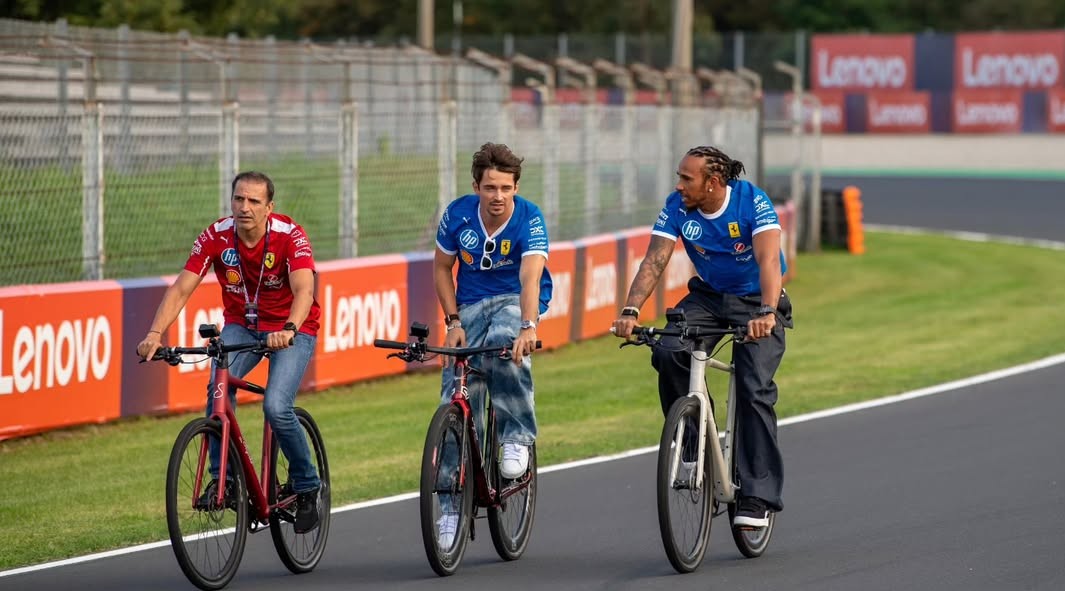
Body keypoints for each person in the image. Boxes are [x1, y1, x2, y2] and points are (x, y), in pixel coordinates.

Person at [612, 145, 793, 529]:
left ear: (712, 182)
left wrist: (767, 312)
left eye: (686, 178)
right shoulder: (677, 206)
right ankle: (695, 441)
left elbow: (768, 261)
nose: (678, 185)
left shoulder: (751, 202)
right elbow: (655, 259)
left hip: (758, 300)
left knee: (753, 388)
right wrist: (630, 310)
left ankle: (757, 496)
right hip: (709, 298)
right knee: (668, 349)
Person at [136, 171, 323, 533]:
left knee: (276, 406)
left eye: (254, 201)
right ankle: (224, 479)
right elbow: (181, 289)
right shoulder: (216, 235)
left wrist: (289, 329)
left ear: (269, 207)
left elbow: (304, 290)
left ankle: (306, 484)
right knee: (218, 389)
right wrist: (155, 333)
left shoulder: (290, 236)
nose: (244, 207)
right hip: (242, 324)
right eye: (239, 199)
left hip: (292, 327)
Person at [432, 142, 552, 546]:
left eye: (505, 188)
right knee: (455, 397)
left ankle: (516, 436)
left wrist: (528, 327)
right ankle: (451, 507)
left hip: (515, 299)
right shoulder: (457, 214)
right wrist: (452, 322)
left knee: (505, 342)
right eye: (489, 188)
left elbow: (530, 277)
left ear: (516, 187)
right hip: (468, 305)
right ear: (476, 187)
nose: (497, 196)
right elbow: (442, 268)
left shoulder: (530, 217)